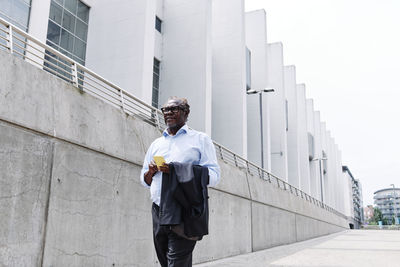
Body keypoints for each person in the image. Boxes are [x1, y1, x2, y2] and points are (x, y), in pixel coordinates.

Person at [140, 97, 220, 267]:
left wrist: (177, 170)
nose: (168, 113)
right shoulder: (157, 144)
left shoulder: (200, 140)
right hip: (158, 210)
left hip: (185, 210)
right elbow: (144, 180)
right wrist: (151, 171)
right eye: (165, 110)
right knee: (166, 262)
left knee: (176, 263)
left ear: (186, 112)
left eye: (174, 109)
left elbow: (214, 176)